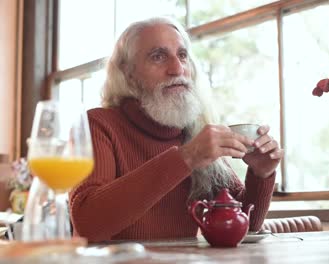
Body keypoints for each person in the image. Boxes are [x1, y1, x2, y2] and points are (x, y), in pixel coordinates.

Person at [69, 17, 283, 242]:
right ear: (128, 72)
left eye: (182, 56)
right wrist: (187, 157)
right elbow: (87, 224)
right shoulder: (97, 124)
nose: (177, 68)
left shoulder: (193, 133)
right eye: (158, 56)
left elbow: (244, 226)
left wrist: (261, 174)